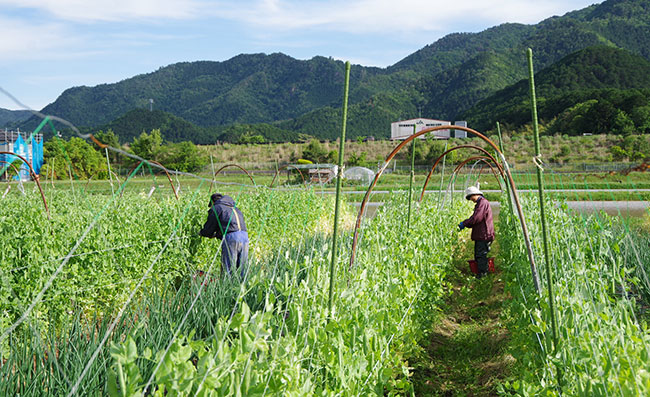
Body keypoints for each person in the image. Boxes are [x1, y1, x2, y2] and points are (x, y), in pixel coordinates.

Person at [199, 193, 249, 278]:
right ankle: (241, 288)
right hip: (244, 236)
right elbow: (231, 225)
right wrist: (217, 234)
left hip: (232, 237)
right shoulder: (235, 208)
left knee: (228, 269)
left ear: (213, 202)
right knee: (241, 268)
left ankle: (227, 288)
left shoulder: (217, 208)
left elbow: (210, 227)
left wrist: (203, 233)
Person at [458, 186, 494, 278]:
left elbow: (476, 218)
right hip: (482, 233)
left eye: (470, 197)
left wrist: (464, 223)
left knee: (481, 254)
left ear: (474, 194)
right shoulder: (481, 203)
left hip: (483, 234)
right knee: (480, 253)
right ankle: (482, 272)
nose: (471, 200)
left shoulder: (482, 203)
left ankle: (482, 274)